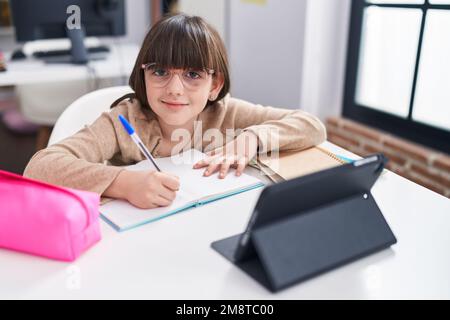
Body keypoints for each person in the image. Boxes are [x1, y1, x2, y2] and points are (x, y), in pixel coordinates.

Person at [24, 14, 326, 209]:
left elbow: (311, 125)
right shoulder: (123, 121)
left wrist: (252, 138)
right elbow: (39, 167)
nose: (175, 89)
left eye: (193, 74)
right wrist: (123, 183)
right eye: (160, 72)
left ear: (214, 84)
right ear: (143, 75)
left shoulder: (225, 113)